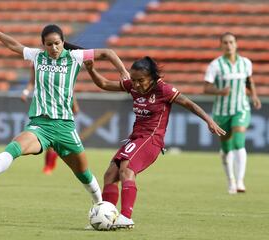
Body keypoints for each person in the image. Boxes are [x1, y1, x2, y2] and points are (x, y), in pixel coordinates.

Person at [0, 13, 130, 208]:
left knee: (83, 174)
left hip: (64, 127)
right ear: (43, 44)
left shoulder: (75, 57)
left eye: (57, 43)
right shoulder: (37, 57)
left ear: (63, 42)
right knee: (14, 147)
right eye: (49, 44)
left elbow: (108, 53)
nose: (54, 48)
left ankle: (101, 206)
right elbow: (13, 45)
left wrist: (123, 72)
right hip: (40, 125)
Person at [84, 57, 226, 229]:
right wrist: (91, 69)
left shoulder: (163, 89)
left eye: (140, 81)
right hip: (136, 138)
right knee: (110, 175)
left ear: (152, 77)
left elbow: (189, 104)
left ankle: (126, 217)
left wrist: (209, 121)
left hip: (152, 139)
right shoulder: (132, 86)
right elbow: (105, 84)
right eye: (134, 80)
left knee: (126, 170)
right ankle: (107, 218)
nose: (136, 84)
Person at [204, 32, 261, 194]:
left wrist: (254, 96)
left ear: (236, 44)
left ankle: (241, 181)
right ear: (221, 45)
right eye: (225, 43)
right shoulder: (215, 65)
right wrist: (220, 91)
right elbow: (206, 88)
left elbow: (249, 81)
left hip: (241, 108)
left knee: (238, 142)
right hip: (222, 112)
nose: (229, 45)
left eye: (231, 42)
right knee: (226, 148)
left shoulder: (245, 63)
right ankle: (231, 180)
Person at [20, 63, 81, 175]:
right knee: (46, 136)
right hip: (44, 104)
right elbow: (32, 81)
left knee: (56, 139)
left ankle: (50, 165)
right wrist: (25, 92)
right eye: (48, 44)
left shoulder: (63, 62)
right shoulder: (37, 60)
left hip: (61, 105)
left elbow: (69, 88)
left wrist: (74, 104)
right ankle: (48, 165)